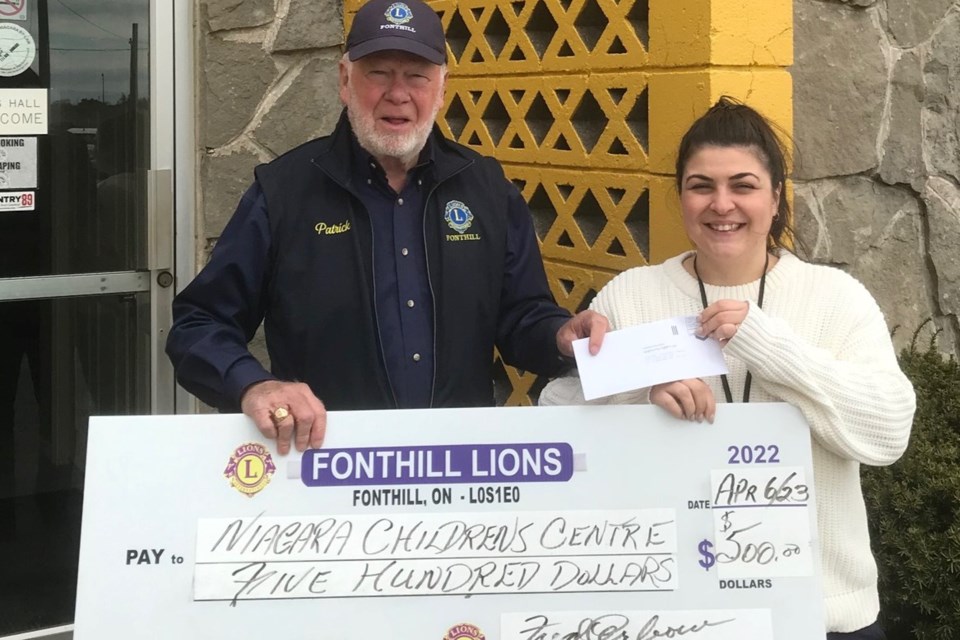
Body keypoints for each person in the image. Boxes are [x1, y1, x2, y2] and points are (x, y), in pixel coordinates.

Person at [539, 97, 915, 639]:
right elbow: (562, 425)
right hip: (675, 609)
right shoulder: (632, 293)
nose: (722, 205)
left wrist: (772, 347)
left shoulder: (836, 298)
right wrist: (641, 397)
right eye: (701, 186)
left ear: (776, 196)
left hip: (822, 610)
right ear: (681, 196)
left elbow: (887, 433)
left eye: (743, 185)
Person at [166, 0, 607, 455]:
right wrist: (254, 386)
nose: (398, 94)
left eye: (417, 75)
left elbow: (521, 317)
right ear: (344, 80)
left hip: (456, 467)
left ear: (441, 88)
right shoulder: (282, 193)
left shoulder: (486, 190)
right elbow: (199, 324)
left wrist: (557, 333)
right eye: (379, 72)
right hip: (327, 469)